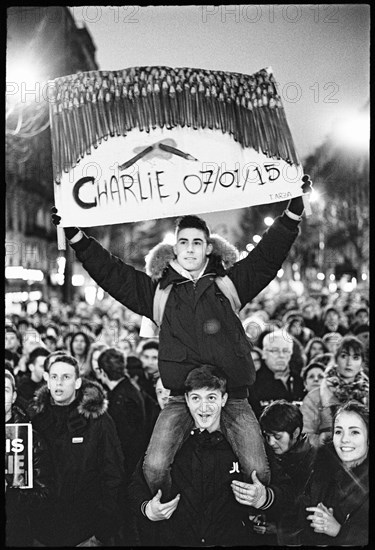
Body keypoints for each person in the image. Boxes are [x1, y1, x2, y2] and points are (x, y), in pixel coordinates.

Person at [52, 175, 312, 499]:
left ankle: (251, 515)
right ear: (175, 247)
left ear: (208, 247)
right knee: (154, 466)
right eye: (184, 242)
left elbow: (267, 258)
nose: (190, 248)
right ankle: (170, 511)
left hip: (231, 396)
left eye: (197, 242)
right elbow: (112, 274)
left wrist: (292, 214)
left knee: (258, 467)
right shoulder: (158, 293)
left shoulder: (228, 285)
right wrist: (78, 238)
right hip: (181, 397)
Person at [128, 365, 249, 546]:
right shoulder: (165, 441)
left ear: (224, 399)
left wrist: (265, 498)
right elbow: (135, 488)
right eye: (196, 398)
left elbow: (283, 487)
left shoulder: (243, 440)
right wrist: (147, 509)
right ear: (186, 399)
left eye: (211, 397)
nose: (204, 407)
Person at [29, 352, 124, 546]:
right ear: (46, 380)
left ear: (78, 382)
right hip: (42, 531)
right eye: (54, 377)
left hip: (86, 531)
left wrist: (102, 531)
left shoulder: (98, 420)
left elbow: (113, 473)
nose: (59, 383)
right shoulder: (35, 418)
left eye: (66, 377)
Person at [299, 401, 369, 546]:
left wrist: (338, 531)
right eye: (338, 431)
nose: (344, 440)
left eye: (354, 432)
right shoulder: (321, 467)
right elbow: (300, 510)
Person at [5, 369, 53, 547]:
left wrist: (11, 493)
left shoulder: (30, 438)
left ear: (14, 395)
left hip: (16, 532)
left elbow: (44, 493)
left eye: (5, 390)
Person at [301, 335, 369, 447]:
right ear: (336, 359)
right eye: (344, 356)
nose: (349, 363)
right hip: (326, 457)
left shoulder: (367, 393)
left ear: (362, 362)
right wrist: (324, 441)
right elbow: (305, 437)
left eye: (355, 357)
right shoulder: (314, 397)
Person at [95, 347, 149, 480]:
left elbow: (122, 439)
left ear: (102, 372)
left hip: (126, 467)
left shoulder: (121, 399)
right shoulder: (129, 390)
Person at [250, 329, 305, 410]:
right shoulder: (253, 384)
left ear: (291, 354)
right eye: (275, 350)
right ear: (264, 353)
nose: (281, 355)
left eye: (286, 351)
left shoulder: (301, 382)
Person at [15, 346, 50, 411]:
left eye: (48, 366)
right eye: (42, 366)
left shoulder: (51, 385)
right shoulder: (22, 389)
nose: (46, 370)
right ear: (31, 367)